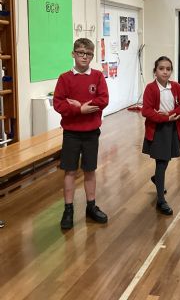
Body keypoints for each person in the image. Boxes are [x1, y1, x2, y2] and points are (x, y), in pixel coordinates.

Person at [54, 38, 109, 230]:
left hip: (91, 132)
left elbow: (103, 99)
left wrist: (84, 106)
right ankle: (68, 210)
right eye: (80, 53)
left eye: (88, 54)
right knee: (70, 171)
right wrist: (78, 110)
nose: (84, 57)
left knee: (89, 170)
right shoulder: (64, 78)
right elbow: (59, 103)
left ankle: (91, 207)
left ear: (92, 56)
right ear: (73, 54)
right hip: (71, 133)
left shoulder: (98, 76)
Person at [142, 56, 180, 215]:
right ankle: (161, 200)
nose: (165, 72)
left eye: (168, 69)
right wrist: (164, 118)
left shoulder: (175, 86)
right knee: (161, 161)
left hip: (172, 127)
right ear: (155, 71)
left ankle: (157, 178)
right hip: (158, 129)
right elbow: (146, 111)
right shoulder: (150, 88)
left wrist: (171, 114)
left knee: (166, 158)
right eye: (161, 68)